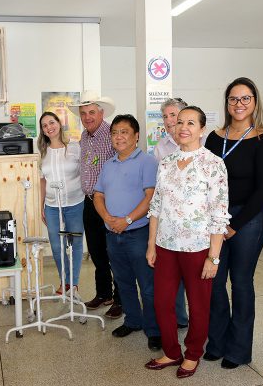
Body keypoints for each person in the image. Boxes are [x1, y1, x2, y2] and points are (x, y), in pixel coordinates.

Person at [144, 106, 229, 378]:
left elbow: (219, 213)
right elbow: (156, 206)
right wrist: (151, 244)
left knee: (199, 305)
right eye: (180, 122)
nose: (183, 127)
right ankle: (171, 351)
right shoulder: (166, 163)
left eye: (191, 123)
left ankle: (193, 354)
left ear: (202, 129)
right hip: (166, 245)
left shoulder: (213, 164)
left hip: (198, 248)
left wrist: (214, 257)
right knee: (162, 302)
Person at [204, 77, 263, 369]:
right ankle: (217, 342)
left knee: (241, 281)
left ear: (255, 102)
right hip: (215, 218)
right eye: (234, 98)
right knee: (214, 280)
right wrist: (214, 220)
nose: (239, 104)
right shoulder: (214, 137)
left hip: (250, 217)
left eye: (246, 98)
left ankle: (239, 349)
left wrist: (234, 224)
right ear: (227, 103)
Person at [92, 114, 161, 351]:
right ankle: (133, 321)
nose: (119, 137)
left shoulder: (147, 162)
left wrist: (128, 220)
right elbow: (98, 195)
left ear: (136, 136)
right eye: (114, 133)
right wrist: (107, 218)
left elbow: (151, 197)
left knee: (148, 286)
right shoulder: (108, 164)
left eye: (124, 132)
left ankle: (154, 330)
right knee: (123, 283)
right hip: (113, 234)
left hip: (138, 234)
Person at [68, 91, 122, 319]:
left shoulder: (111, 134)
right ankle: (104, 293)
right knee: (97, 252)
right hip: (89, 202)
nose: (87, 117)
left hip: (110, 202)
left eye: (91, 112)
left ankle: (120, 300)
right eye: (83, 113)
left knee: (115, 253)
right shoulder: (84, 136)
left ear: (101, 113)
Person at [152, 97, 190, 329]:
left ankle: (204, 324)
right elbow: (159, 189)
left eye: (173, 115)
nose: (168, 121)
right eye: (165, 116)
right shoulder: (161, 148)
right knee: (173, 276)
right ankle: (179, 319)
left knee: (196, 279)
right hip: (169, 222)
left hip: (194, 223)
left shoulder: (202, 142)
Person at [38, 111, 84, 293]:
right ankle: (64, 280)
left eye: (52, 122)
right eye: (45, 126)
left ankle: (73, 283)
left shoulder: (74, 147)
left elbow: (85, 172)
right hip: (52, 206)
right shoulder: (42, 153)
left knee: (75, 243)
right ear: (43, 131)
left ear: (59, 123)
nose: (49, 127)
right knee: (57, 246)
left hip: (75, 203)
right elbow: (42, 181)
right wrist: (41, 205)